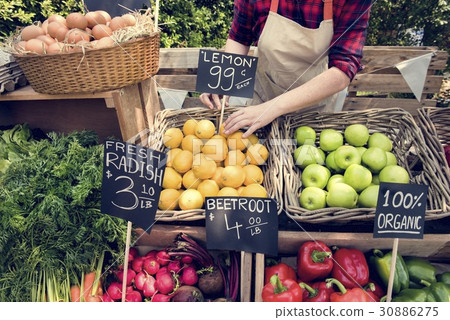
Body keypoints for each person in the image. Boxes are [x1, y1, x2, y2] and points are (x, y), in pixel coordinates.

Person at [199, 0, 372, 137]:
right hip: (262, 97)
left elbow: (343, 69)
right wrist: (222, 79)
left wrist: (272, 108)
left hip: (315, 110)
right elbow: (239, 36)